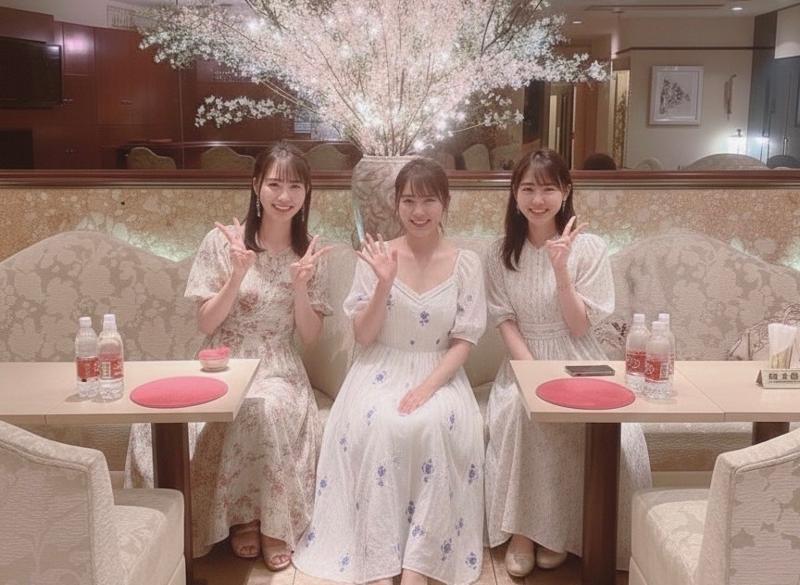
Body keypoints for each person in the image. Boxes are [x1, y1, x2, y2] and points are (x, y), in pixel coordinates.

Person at [125, 142, 332, 571]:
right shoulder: (222, 244)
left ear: (307, 192)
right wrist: (237, 275)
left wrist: (300, 286)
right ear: (256, 186)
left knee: (262, 408)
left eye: (295, 186)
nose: (284, 196)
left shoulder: (309, 253)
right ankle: (235, 520)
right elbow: (206, 323)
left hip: (277, 366)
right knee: (159, 422)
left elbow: (311, 337)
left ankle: (268, 521)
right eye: (274, 184)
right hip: (222, 361)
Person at [293, 158, 487, 585]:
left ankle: (420, 565)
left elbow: (465, 339)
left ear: (445, 203)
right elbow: (363, 336)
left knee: (435, 423)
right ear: (396, 204)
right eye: (409, 200)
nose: (419, 211)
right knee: (382, 423)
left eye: (429, 200)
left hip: (440, 371)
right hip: (379, 367)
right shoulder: (377, 257)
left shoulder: (467, 263)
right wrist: (383, 282)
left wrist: (428, 387)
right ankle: (378, 562)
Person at [484, 149, 651, 576]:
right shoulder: (500, 252)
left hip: (578, 359)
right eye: (527, 189)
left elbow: (579, 327)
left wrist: (561, 270)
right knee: (523, 411)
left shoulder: (590, 248)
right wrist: (533, 376)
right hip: (524, 361)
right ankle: (524, 531)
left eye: (547, 189)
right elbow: (504, 322)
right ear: (515, 195)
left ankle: (561, 531)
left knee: (591, 422)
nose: (537, 200)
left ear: (566, 191)